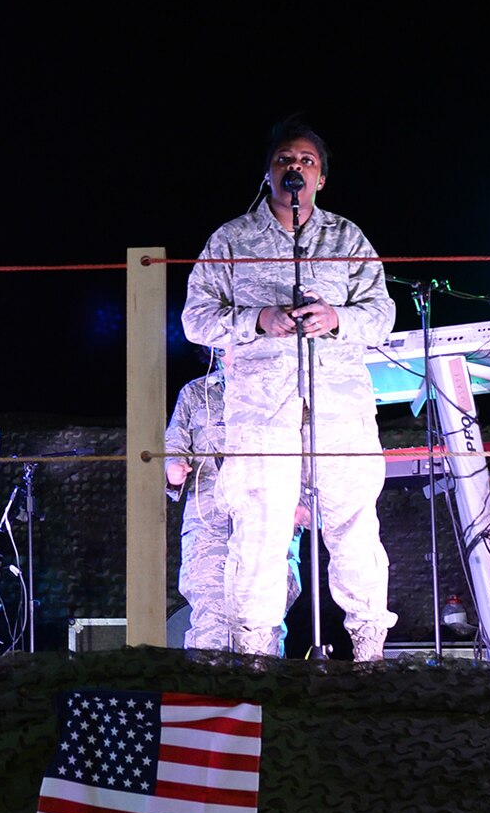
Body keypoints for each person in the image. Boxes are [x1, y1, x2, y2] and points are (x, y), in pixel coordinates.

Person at [181, 118, 397, 661]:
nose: (294, 168)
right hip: (261, 413)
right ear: (268, 172)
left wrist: (336, 319)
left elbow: (383, 314)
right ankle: (255, 660)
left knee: (354, 527)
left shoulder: (347, 238)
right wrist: (259, 319)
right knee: (258, 532)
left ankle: (369, 655)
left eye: (306, 161)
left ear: (321, 177)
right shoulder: (230, 239)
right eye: (284, 160)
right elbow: (195, 320)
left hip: (339, 410)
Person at [164, 356, 306, 650]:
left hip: (268, 514)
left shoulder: (281, 390)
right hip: (209, 518)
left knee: (264, 612)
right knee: (209, 612)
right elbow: (174, 442)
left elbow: (305, 448)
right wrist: (173, 469)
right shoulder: (196, 392)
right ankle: (211, 691)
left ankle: (262, 691)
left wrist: (302, 500)